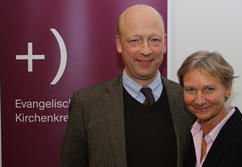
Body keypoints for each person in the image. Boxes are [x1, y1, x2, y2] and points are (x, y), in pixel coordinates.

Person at [61, 4, 195, 167]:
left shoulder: (187, 100)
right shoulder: (86, 103)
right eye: (135, 41)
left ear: (164, 42)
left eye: (154, 40)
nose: (146, 50)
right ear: (119, 43)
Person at [177, 51, 242, 167]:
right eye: (191, 90)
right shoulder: (188, 136)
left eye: (209, 89)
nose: (199, 100)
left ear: (228, 88)